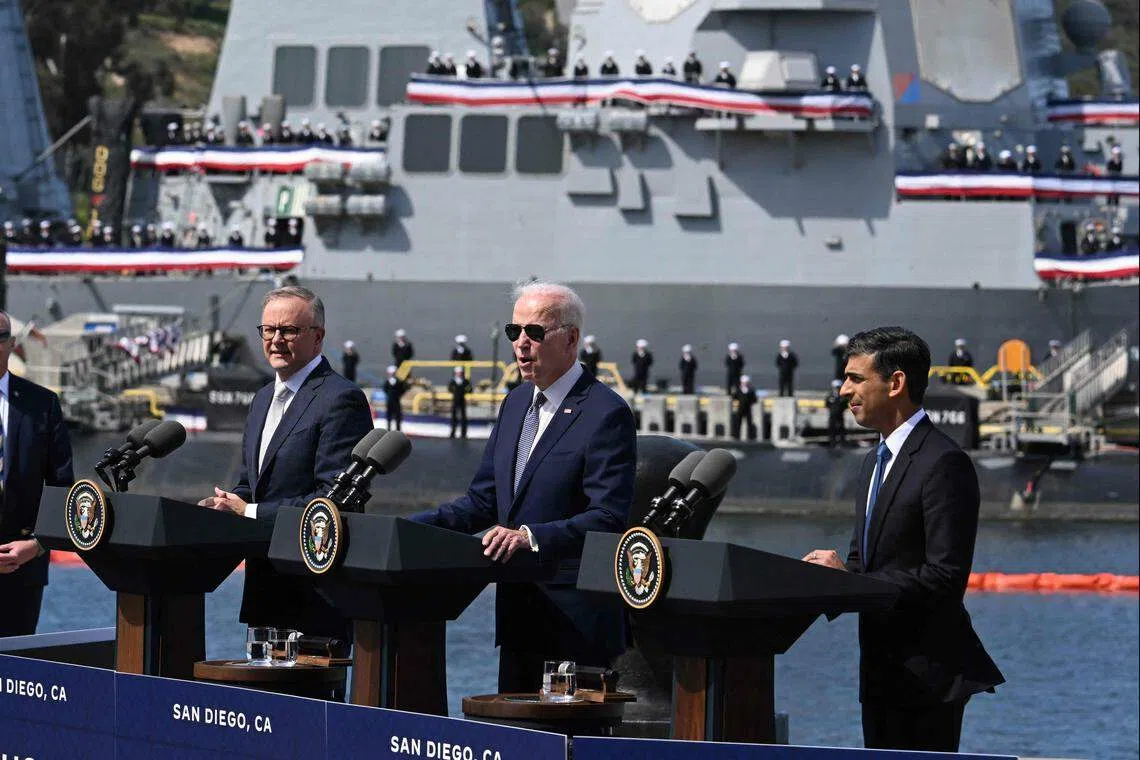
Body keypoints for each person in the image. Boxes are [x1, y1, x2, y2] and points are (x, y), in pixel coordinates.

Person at [408, 281, 635, 691]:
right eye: (515, 332)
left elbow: (609, 516)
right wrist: (412, 527)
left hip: (577, 626)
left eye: (534, 333)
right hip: (519, 617)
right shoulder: (515, 404)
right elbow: (485, 501)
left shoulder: (606, 413)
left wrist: (530, 537)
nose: (521, 344)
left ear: (570, 339)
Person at [803, 326, 1004, 751]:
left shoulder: (943, 462)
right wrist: (823, 580)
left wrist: (853, 581)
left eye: (856, 378)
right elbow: (865, 566)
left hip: (927, 680)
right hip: (880, 677)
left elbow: (945, 578)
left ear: (895, 383)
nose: (844, 390)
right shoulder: (873, 463)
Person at [197, 286, 373, 637]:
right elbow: (251, 484)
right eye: (268, 330)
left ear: (318, 337)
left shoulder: (341, 400)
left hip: (316, 596)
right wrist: (223, 505)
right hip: (265, 593)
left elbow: (334, 502)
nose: (276, 340)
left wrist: (247, 512)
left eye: (289, 330)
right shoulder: (263, 398)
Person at [0, 311, 75, 637]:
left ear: (11, 344)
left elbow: (62, 487)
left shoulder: (41, 404)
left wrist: (38, 544)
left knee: (16, 679)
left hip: (22, 570)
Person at [730, 374, 757, 440]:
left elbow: (755, 399)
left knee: (749, 423)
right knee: (738, 422)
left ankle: (751, 437)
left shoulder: (751, 390)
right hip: (740, 409)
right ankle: (736, 436)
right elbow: (734, 397)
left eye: (746, 382)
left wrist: (750, 401)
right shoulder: (738, 390)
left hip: (748, 409)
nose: (745, 384)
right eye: (744, 382)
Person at [448, 366, 472, 439]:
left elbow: (470, 389)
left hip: (462, 400)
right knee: (454, 417)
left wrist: (464, 391)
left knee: (463, 417)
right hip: (455, 400)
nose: (459, 374)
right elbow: (450, 389)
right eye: (457, 373)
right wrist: (456, 391)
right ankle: (453, 433)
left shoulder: (465, 381)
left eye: (460, 373)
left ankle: (463, 434)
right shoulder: (453, 382)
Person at [383, 365, 407, 430]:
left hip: (396, 401)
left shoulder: (399, 382)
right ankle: (388, 429)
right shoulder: (387, 382)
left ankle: (398, 430)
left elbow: (402, 390)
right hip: (389, 401)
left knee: (398, 416)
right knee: (389, 416)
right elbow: (385, 389)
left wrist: (398, 395)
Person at [826, 378, 847, 447]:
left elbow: (845, 405)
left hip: (840, 415)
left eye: (838, 387)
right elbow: (827, 404)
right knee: (832, 428)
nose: (837, 389)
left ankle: (842, 442)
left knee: (841, 428)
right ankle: (832, 442)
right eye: (835, 387)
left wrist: (840, 410)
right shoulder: (830, 396)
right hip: (832, 415)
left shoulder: (842, 397)